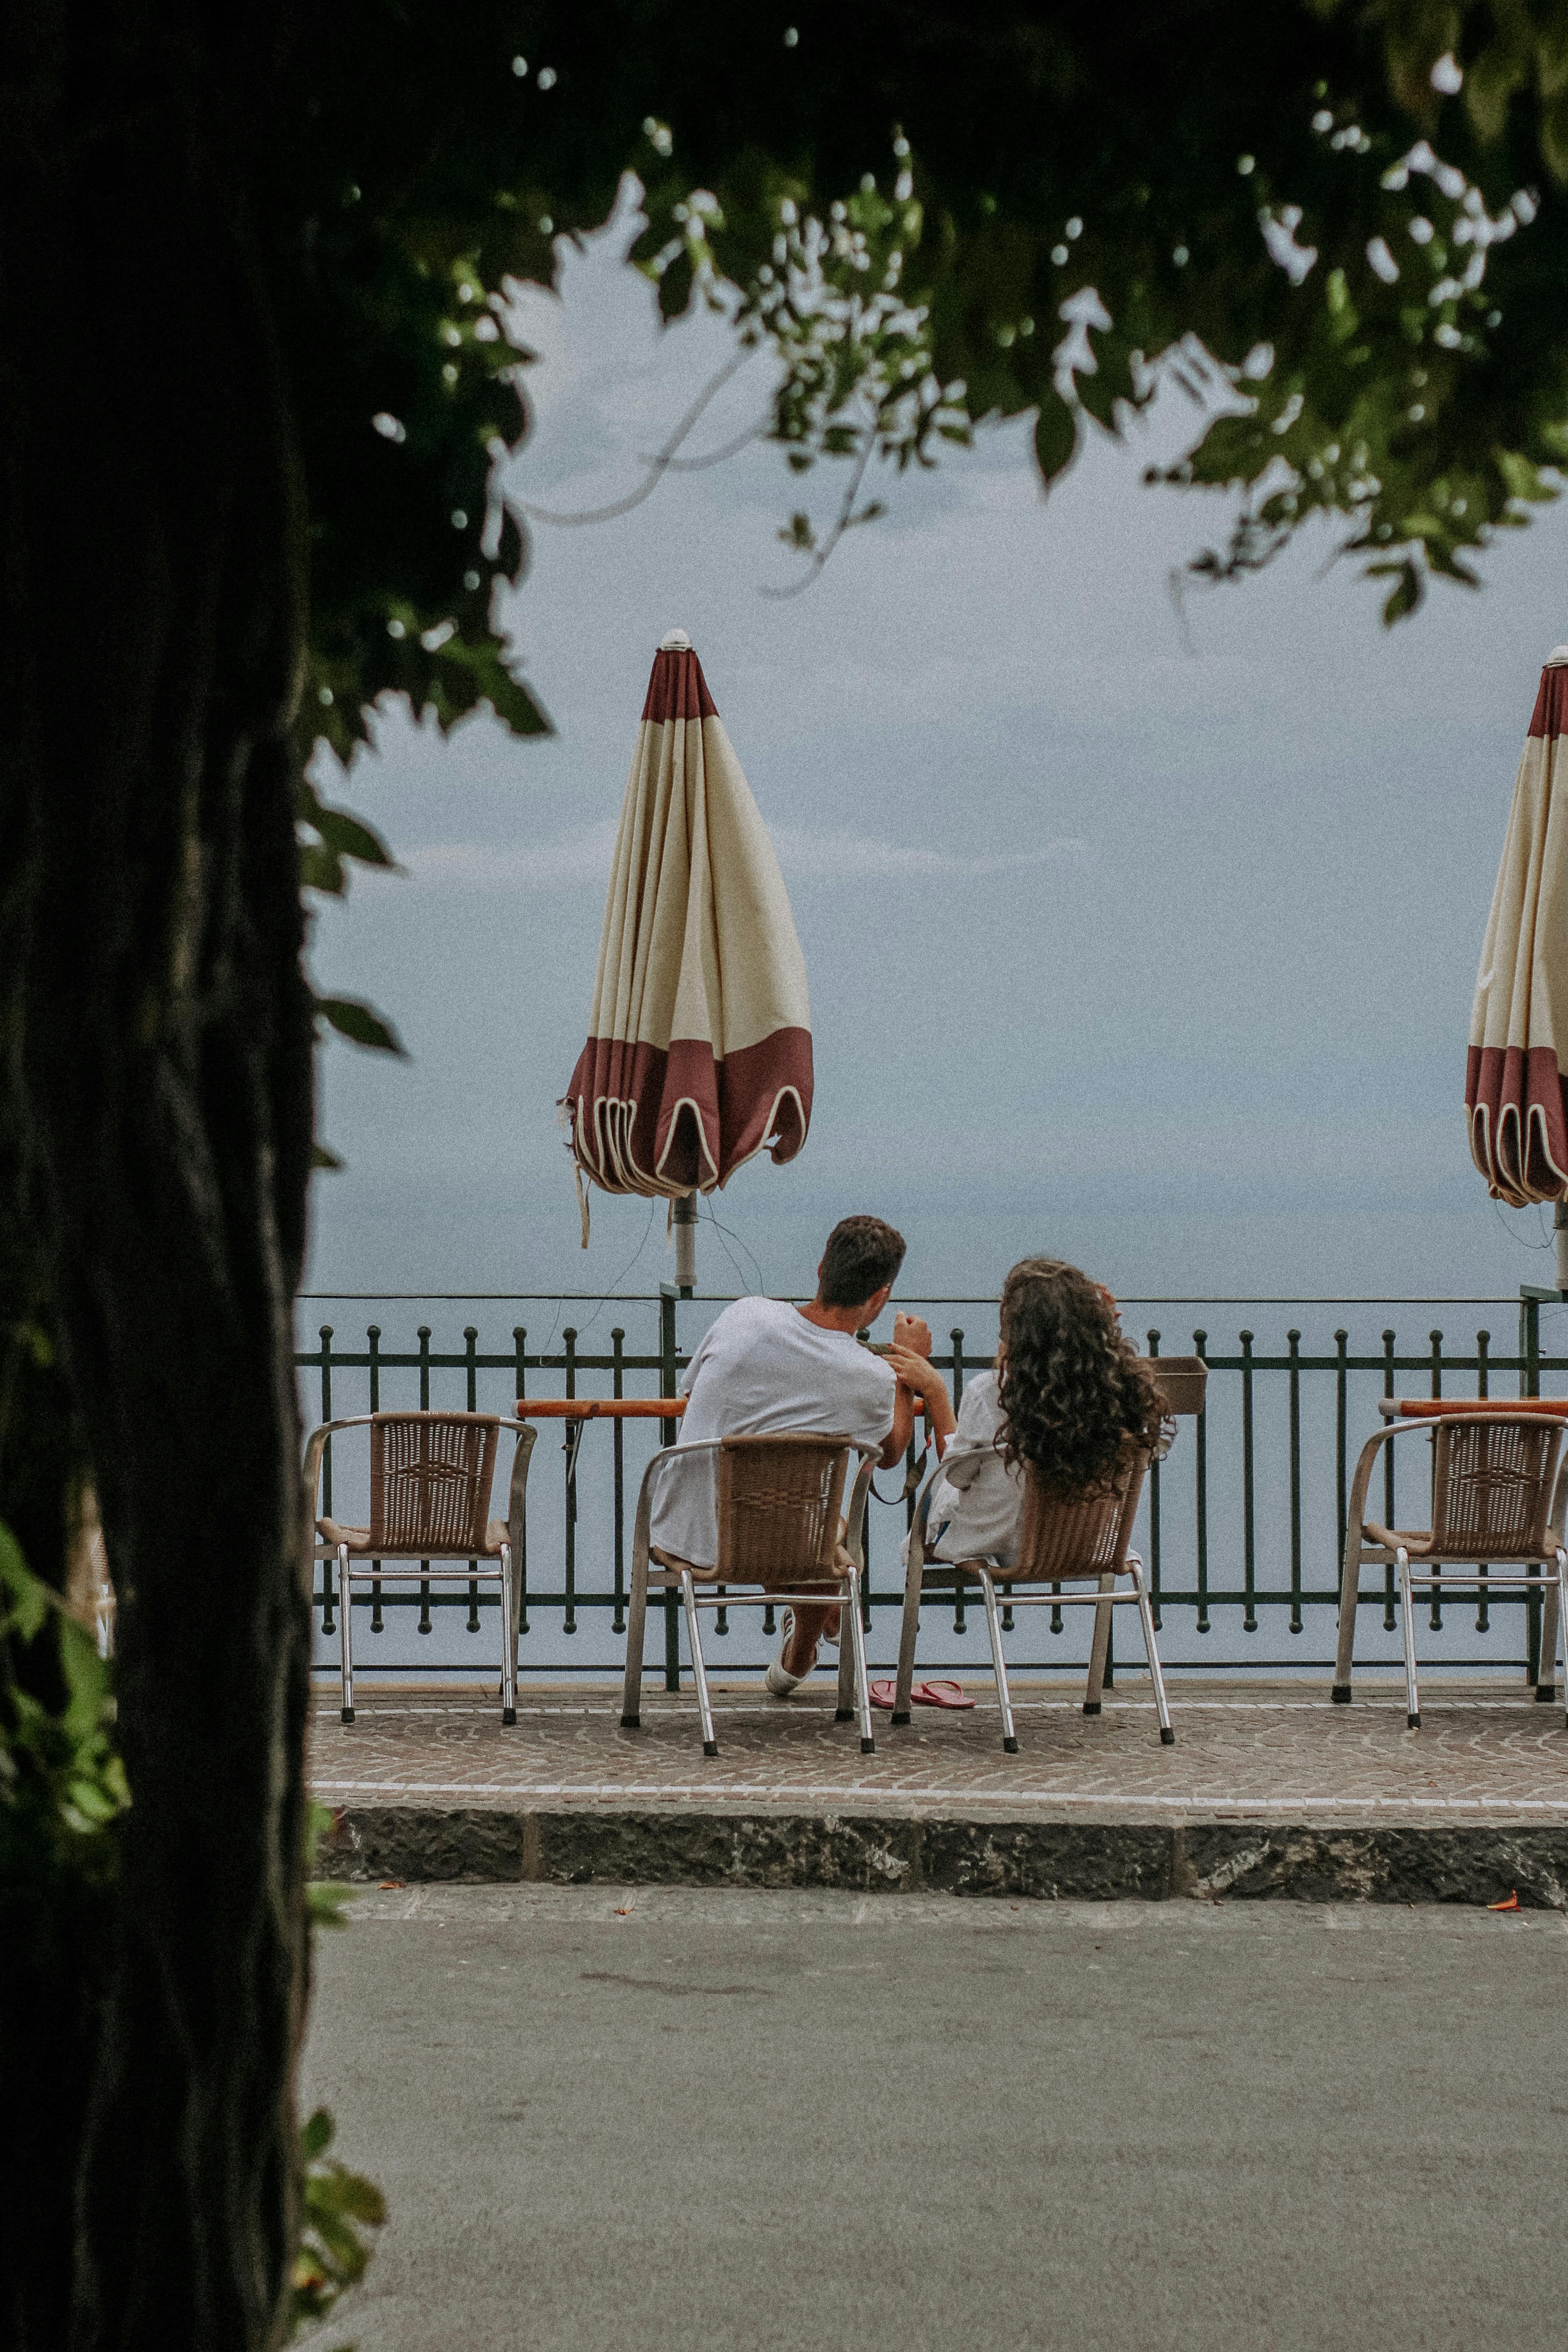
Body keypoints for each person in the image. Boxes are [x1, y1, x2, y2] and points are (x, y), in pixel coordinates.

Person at [650, 1215, 956, 1693]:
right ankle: (800, 1652)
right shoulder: (866, 1376)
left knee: (813, 1530)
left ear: (820, 1269)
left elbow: (690, 1393)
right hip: (787, 1548)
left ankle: (809, 1639)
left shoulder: (745, 1314)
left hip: (684, 1532)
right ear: (879, 1297)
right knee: (826, 1539)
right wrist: (904, 1366)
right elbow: (893, 1452)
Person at [912, 1259, 1169, 1570]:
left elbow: (957, 1475)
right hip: (1087, 1545)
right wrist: (1106, 1331)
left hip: (1000, 1544)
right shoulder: (1119, 1392)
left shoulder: (990, 1391)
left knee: (937, 1495)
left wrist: (936, 1392)